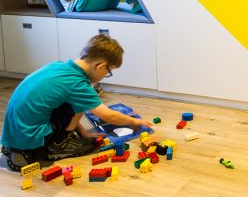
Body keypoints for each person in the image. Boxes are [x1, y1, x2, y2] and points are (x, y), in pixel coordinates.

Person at [0, 34, 153, 171]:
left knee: (76, 100)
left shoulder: (58, 66)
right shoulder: (77, 84)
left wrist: (82, 132)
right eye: (108, 72)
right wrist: (133, 121)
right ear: (100, 66)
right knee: (86, 96)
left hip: (14, 131)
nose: (106, 75)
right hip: (31, 135)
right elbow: (109, 116)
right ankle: (59, 144)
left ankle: (19, 147)